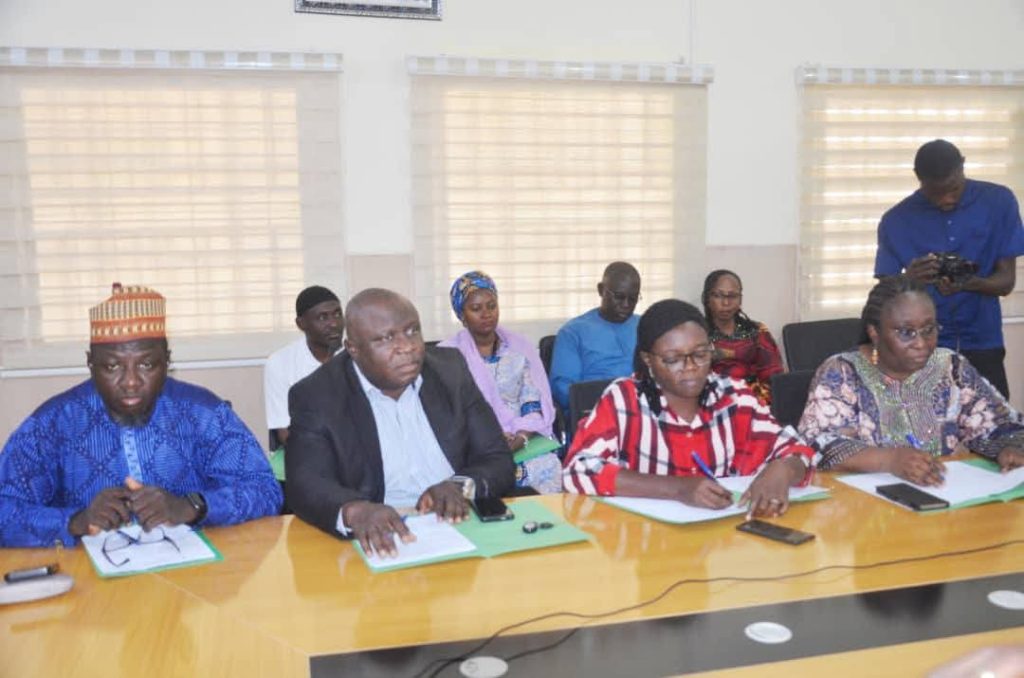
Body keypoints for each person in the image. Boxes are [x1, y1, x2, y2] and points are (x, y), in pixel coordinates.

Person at [0, 283, 283, 548]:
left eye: (147, 365)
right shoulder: (53, 423)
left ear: (167, 361)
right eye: (112, 367)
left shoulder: (203, 412)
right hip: (89, 574)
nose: (131, 382)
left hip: (193, 571)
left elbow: (265, 491)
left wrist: (191, 506)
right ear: (90, 363)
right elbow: (5, 510)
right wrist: (75, 521)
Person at [285, 288, 515, 557]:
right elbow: (306, 483)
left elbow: (496, 457)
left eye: (412, 330)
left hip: (459, 521)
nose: (407, 347)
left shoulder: (450, 370)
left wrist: (459, 486)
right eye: (386, 338)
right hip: (377, 532)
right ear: (353, 349)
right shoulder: (317, 395)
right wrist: (355, 511)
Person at [563, 299, 815, 517]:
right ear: (648, 359)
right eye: (673, 359)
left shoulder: (733, 396)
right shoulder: (624, 399)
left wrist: (782, 470)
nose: (691, 366)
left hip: (722, 538)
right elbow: (578, 470)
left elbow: (796, 450)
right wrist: (678, 488)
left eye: (701, 354)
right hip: (647, 541)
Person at [798, 275, 1024, 484]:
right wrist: (890, 460)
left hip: (945, 494)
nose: (921, 343)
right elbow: (818, 444)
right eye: (906, 332)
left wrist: (1008, 448)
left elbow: (1001, 424)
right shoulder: (842, 372)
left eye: (929, 329)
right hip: (863, 503)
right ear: (874, 333)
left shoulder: (951, 367)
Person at [875, 139, 1024, 398]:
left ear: (963, 166)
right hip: (920, 346)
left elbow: (1006, 282)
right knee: (923, 418)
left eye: (954, 189)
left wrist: (969, 282)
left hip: (982, 340)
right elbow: (882, 298)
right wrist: (910, 280)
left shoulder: (998, 202)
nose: (947, 199)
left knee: (994, 419)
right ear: (919, 178)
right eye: (935, 192)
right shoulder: (896, 220)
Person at [439, 271, 561, 494]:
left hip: (521, 440)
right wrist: (488, 438)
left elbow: (532, 401)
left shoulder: (519, 349)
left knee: (549, 466)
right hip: (473, 445)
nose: (486, 314)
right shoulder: (447, 357)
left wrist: (521, 436)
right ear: (461, 315)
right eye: (476, 308)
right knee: (466, 478)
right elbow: (447, 414)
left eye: (491, 306)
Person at [549, 261, 642, 413]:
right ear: (601, 290)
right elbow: (564, 391)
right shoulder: (573, 332)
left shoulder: (645, 326)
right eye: (619, 297)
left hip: (643, 409)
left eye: (633, 298)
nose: (626, 304)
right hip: (596, 412)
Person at [264, 285, 344, 452]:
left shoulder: (356, 357)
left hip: (351, 453)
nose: (334, 323)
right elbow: (284, 432)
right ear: (301, 324)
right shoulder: (280, 363)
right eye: (322, 317)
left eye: (337, 314)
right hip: (306, 453)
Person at [701, 269, 784, 405]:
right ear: (707, 299)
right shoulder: (697, 334)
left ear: (740, 299)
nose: (726, 303)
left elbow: (774, 378)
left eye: (732, 296)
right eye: (718, 295)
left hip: (754, 402)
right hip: (712, 403)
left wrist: (752, 403)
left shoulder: (756, 332)